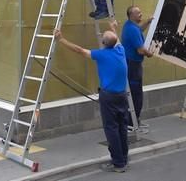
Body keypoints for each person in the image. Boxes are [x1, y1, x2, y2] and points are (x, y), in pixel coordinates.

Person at [54, 23, 129, 173]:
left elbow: (79, 50)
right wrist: (114, 28)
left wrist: (61, 40)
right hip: (122, 96)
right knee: (122, 127)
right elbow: (117, 40)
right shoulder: (121, 50)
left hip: (109, 97)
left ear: (103, 43)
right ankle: (123, 158)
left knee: (111, 128)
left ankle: (118, 163)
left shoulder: (101, 55)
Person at [121, 5, 154, 130]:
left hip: (131, 64)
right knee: (136, 95)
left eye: (140, 12)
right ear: (131, 15)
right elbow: (140, 50)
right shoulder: (132, 30)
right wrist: (150, 53)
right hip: (133, 65)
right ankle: (133, 123)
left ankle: (134, 121)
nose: (141, 14)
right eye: (138, 13)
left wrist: (148, 22)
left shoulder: (130, 26)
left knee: (134, 93)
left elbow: (139, 30)